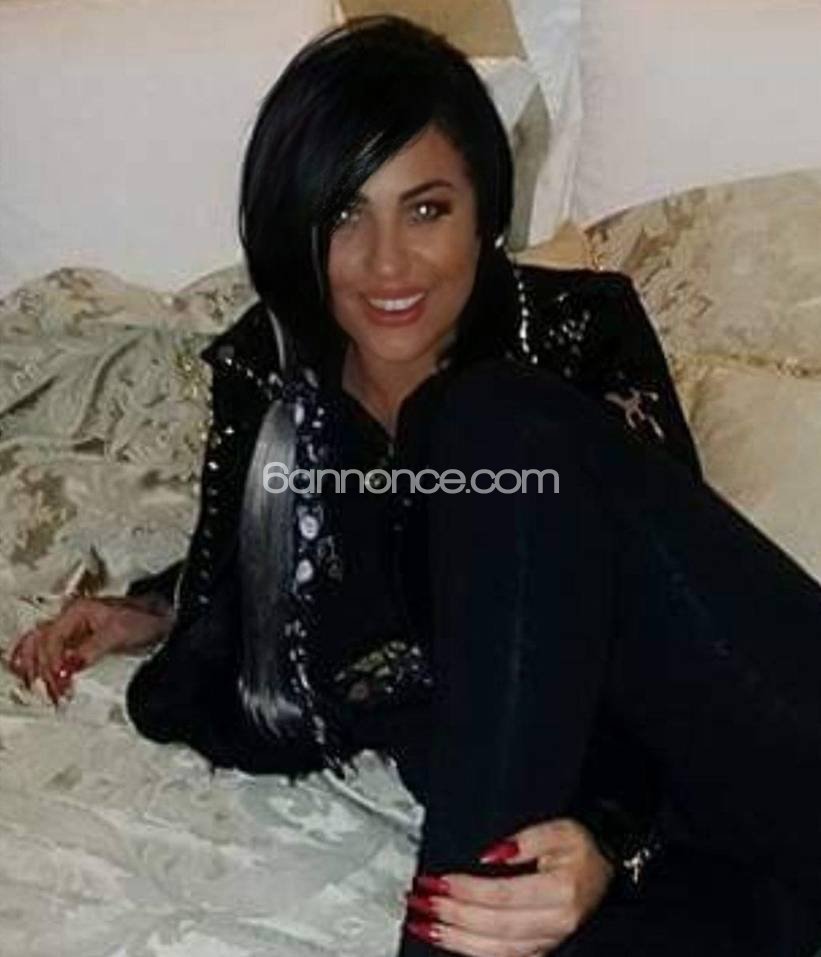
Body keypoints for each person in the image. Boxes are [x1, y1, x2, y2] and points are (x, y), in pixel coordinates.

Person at [5, 15, 821, 957]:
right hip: (710, 889)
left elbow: (663, 639)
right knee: (533, 920)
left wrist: (609, 837)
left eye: (426, 209)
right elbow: (254, 579)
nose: (386, 263)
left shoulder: (574, 335)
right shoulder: (274, 383)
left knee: (482, 420)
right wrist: (156, 606)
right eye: (343, 215)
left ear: (484, 213)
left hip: (763, 765)